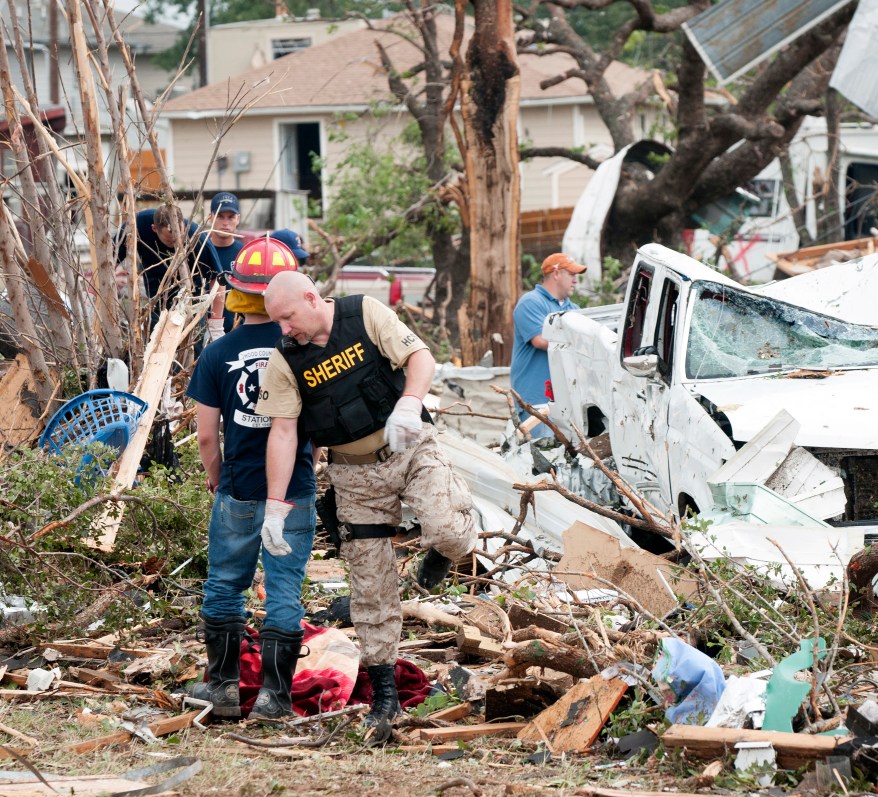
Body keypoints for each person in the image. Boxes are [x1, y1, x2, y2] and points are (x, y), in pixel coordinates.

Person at [256, 272, 477, 743]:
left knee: (449, 531)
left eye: (288, 317)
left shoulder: (363, 313)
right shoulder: (285, 361)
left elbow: (420, 356)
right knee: (371, 588)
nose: (284, 329)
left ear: (312, 298)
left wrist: (409, 402)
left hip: (410, 446)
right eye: (276, 322)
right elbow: (283, 432)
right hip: (354, 477)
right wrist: (275, 506)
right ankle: (384, 696)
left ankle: (442, 550)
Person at [185, 237, 316, 722]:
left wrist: (218, 478)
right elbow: (315, 428)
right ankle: (273, 698)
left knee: (224, 584)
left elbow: (204, 436)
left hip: (239, 486)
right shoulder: (303, 347)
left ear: (236, 290)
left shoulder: (218, 353)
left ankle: (221, 689)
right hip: (295, 491)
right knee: (284, 590)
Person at [511, 253, 585, 432]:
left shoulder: (573, 309)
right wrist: (579, 340)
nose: (575, 281)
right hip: (535, 400)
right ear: (556, 273)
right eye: (572, 275)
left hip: (567, 400)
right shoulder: (530, 303)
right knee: (541, 454)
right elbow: (542, 341)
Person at [115, 204, 222, 317]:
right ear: (154, 229)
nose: (175, 244)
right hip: (157, 302)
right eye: (170, 241)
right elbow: (111, 259)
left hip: (193, 304)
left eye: (178, 239)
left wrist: (216, 323)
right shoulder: (137, 225)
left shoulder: (197, 238)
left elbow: (218, 279)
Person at [207, 193, 244, 336]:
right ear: (210, 217)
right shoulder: (200, 251)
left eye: (231, 217)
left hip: (237, 332)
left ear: (238, 219)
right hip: (200, 334)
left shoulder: (244, 254)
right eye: (220, 216)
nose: (225, 223)